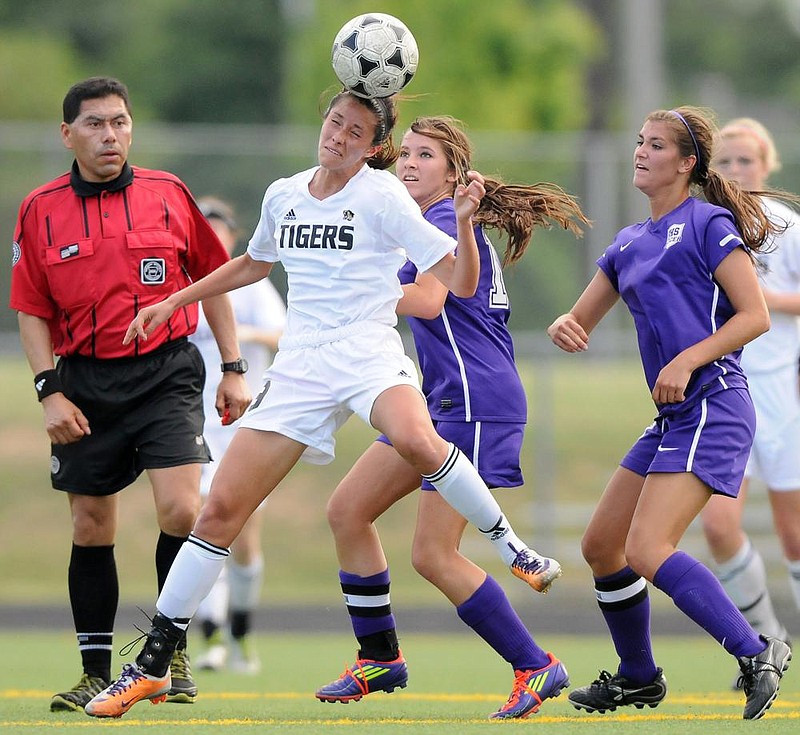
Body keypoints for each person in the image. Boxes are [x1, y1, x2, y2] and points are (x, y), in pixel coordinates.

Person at [84, 89, 559, 719]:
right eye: (335, 122)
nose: (339, 136)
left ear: (371, 148)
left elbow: (455, 284)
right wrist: (175, 300)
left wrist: (461, 224)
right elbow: (253, 264)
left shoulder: (385, 196)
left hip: (370, 354)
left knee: (418, 448)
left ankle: (513, 549)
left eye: (357, 132)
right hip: (302, 367)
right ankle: (152, 667)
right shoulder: (284, 193)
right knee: (225, 509)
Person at [315, 115, 588, 719]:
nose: (409, 163)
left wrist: (344, 281)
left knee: (434, 555)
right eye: (405, 153)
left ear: (454, 172)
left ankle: (535, 666)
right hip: (438, 402)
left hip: (476, 402)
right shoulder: (430, 223)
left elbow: (428, 299)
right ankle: (379, 656)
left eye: (425, 155)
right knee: (347, 510)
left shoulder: (439, 222)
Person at [8, 77, 251, 713]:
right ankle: (93, 671)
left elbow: (215, 278)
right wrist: (48, 392)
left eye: (119, 122)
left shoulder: (167, 193)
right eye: (94, 124)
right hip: (84, 381)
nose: (110, 135)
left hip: (166, 372)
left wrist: (232, 367)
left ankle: (164, 653)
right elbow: (30, 309)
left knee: (181, 509)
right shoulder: (40, 208)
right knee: (92, 525)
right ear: (68, 135)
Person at [546, 105, 794, 721]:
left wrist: (687, 360)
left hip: (715, 402)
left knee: (649, 547)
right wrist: (565, 326)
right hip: (673, 416)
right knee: (603, 546)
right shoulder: (630, 242)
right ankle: (638, 677)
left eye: (656, 145)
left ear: (687, 164)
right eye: (638, 142)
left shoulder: (709, 223)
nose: (640, 152)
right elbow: (579, 318)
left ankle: (756, 651)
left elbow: (755, 315)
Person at [700, 118, 800, 686]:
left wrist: (764, 299)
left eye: (746, 162)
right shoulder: (708, 223)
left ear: (766, 166)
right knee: (718, 523)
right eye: (726, 163)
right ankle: (767, 641)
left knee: (794, 534)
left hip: (780, 388)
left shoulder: (786, 225)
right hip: (724, 387)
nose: (737, 172)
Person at [189, 197, 286, 674]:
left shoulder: (250, 284)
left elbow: (282, 333)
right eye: (202, 227)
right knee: (203, 527)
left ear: (232, 234)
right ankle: (211, 641)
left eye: (218, 226)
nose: (211, 234)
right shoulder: (184, 285)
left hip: (247, 426)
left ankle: (242, 633)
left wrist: (240, 331)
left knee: (245, 542)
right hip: (195, 426)